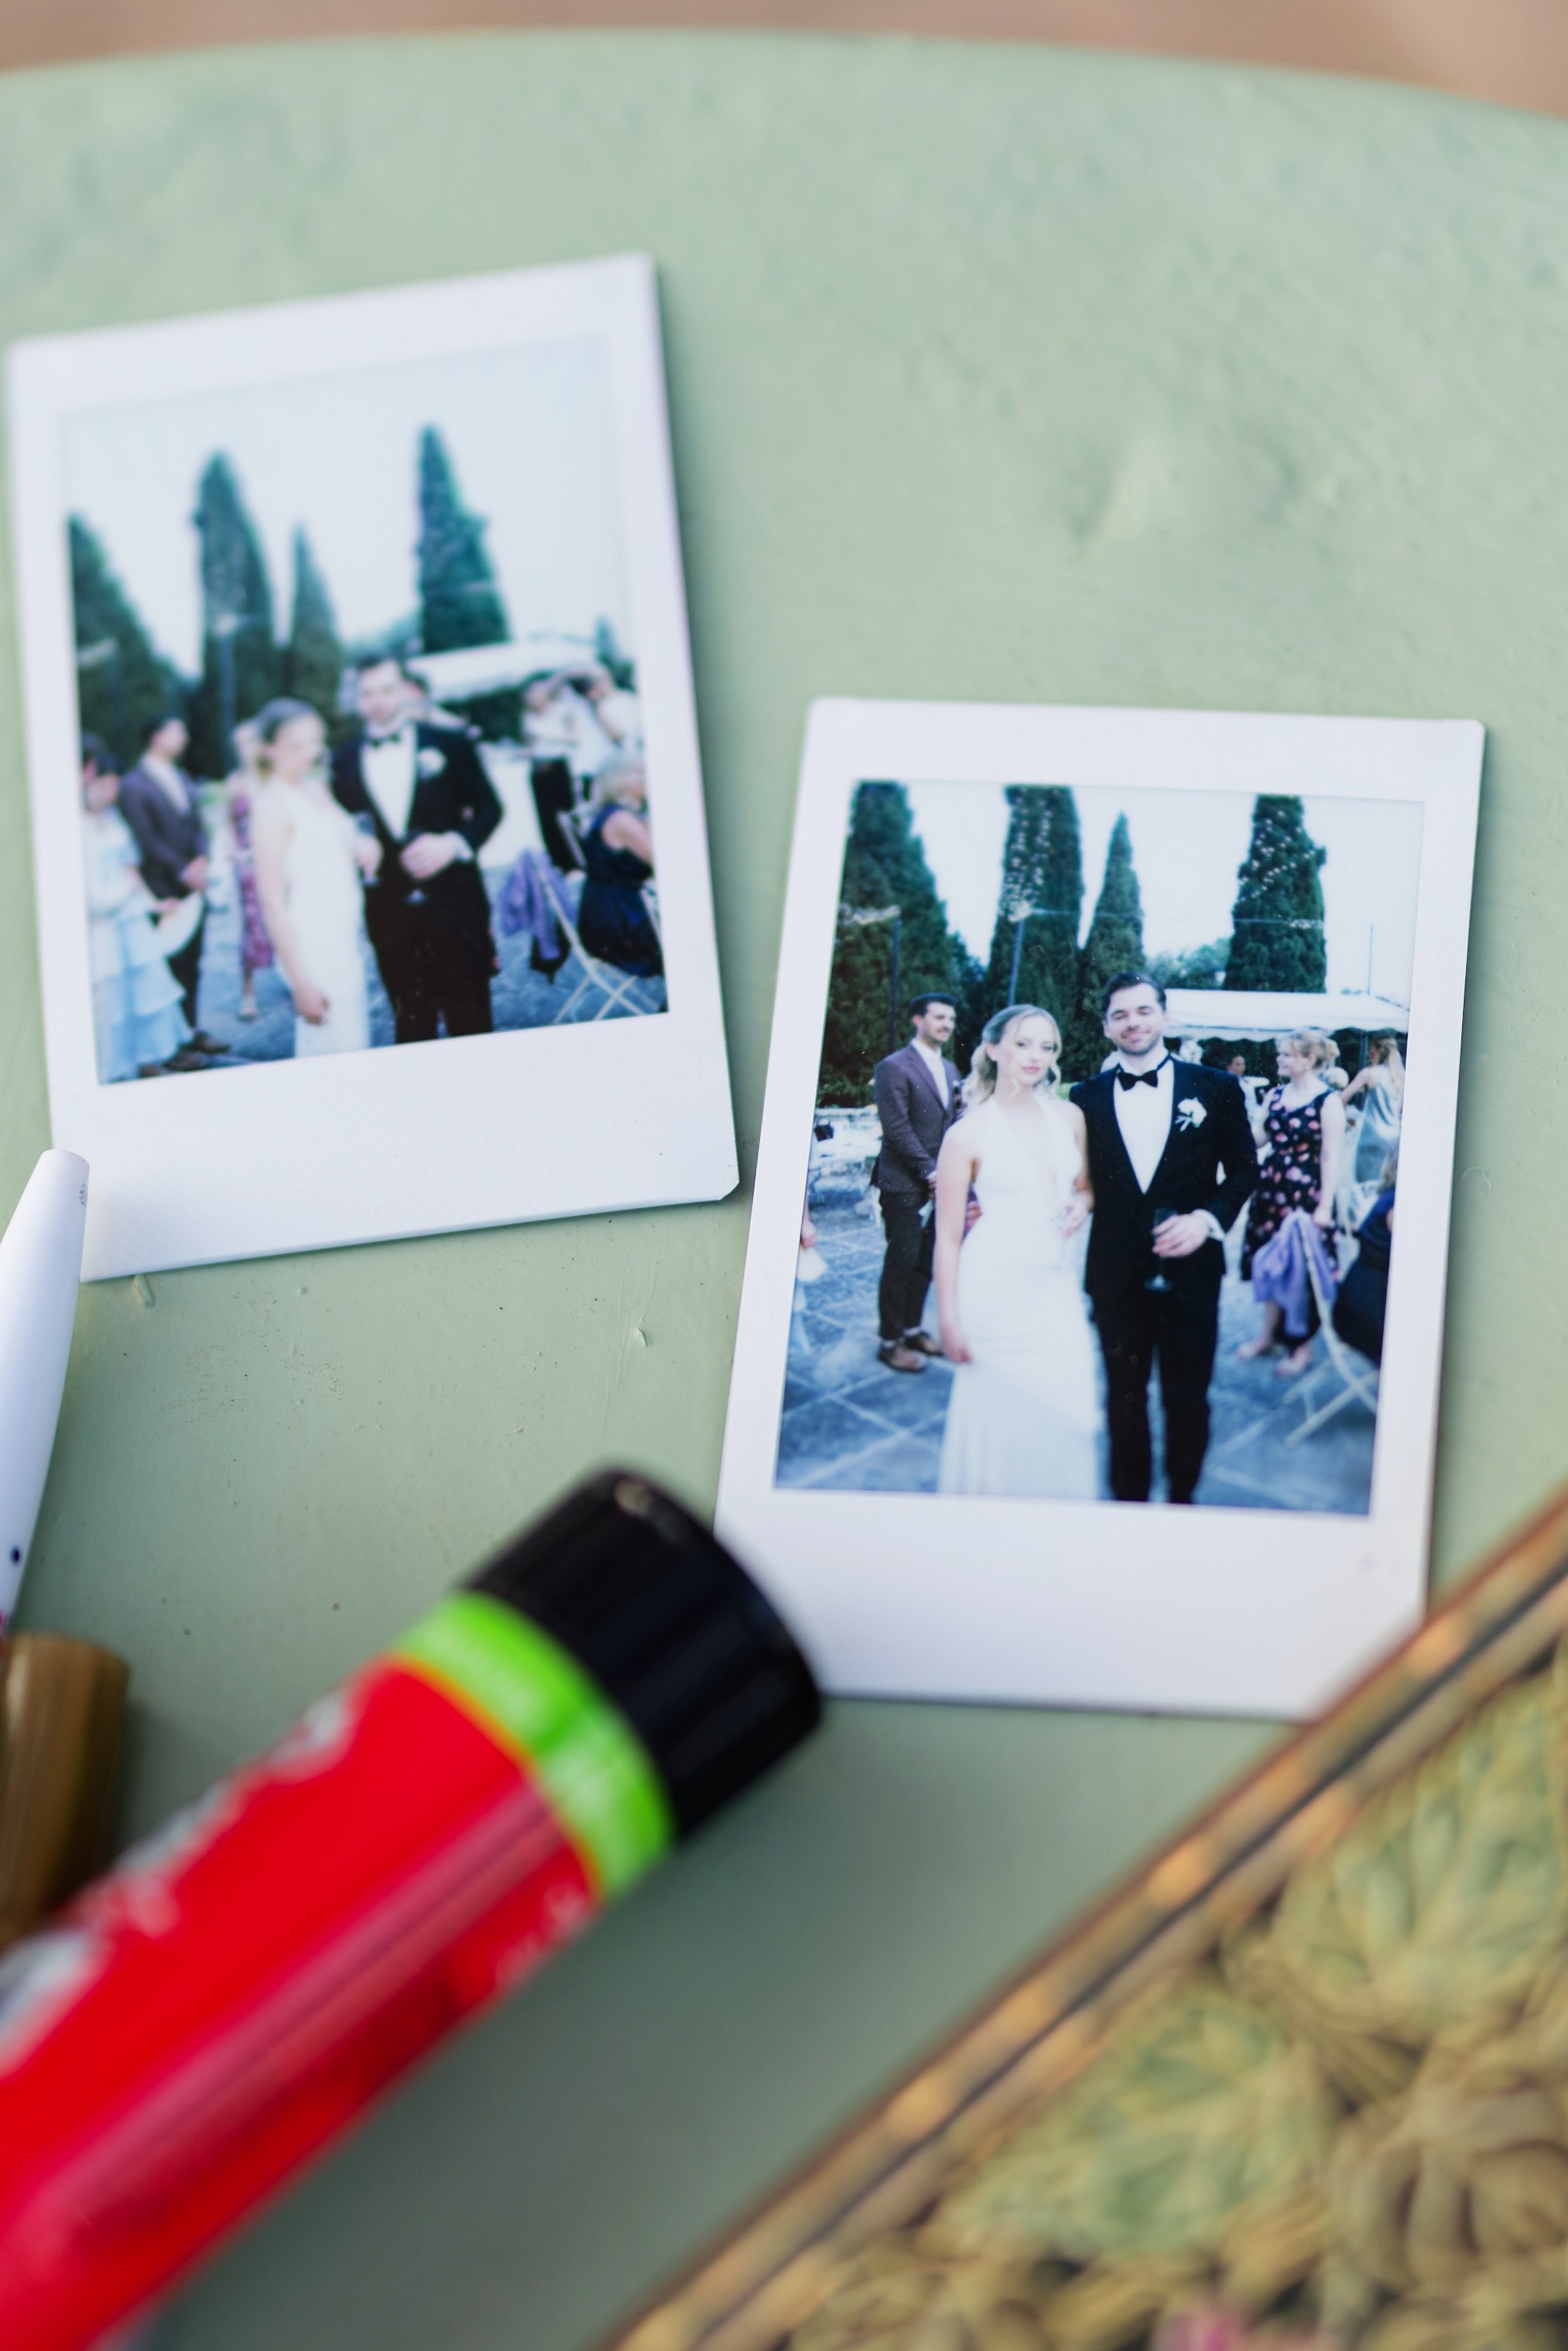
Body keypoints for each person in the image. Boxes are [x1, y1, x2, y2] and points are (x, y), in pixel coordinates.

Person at [1071, 973, 1258, 1505]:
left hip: (1191, 1271)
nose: (1134, 1022)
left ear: (1165, 1017)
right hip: (1115, 1273)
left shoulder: (1216, 1088)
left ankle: (1182, 1497)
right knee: (1123, 1396)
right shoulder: (1085, 1096)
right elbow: (1066, 1174)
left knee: (1188, 1395)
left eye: (1144, 1010)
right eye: (1121, 1014)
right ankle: (1128, 1500)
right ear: (1107, 1026)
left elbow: (1245, 1170)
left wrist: (1207, 1219)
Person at [933, 1006, 1099, 1497]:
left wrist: (1082, 1207)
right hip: (994, 1287)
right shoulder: (966, 1134)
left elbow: (1086, 1187)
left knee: (1076, 1415)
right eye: (1023, 1043)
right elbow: (947, 1236)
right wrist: (947, 1320)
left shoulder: (1069, 1116)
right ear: (993, 1049)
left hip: (1055, 1287)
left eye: (1047, 1046)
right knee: (999, 1414)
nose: (1036, 1056)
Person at [331, 655, 502, 1044]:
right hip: (390, 916)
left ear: (406, 691)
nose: (378, 701)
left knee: (472, 1023)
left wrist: (454, 843)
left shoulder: (450, 744)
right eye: (367, 693)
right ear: (357, 699)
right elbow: (339, 825)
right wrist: (352, 841)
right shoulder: (341, 761)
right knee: (412, 1026)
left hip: (457, 908)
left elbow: (491, 809)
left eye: (387, 690)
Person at [251, 698, 381, 1058]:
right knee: (333, 1046)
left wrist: (364, 842)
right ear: (269, 750)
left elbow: (345, 834)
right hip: (315, 948)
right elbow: (271, 902)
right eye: (297, 745)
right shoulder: (271, 806)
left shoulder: (314, 789)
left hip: (344, 940)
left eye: (315, 741)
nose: (311, 753)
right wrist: (301, 984)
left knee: (354, 1038)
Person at [79, 736, 194, 1081]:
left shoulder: (113, 821)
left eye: (112, 783)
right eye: (102, 782)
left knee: (144, 994)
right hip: (105, 923)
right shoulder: (78, 827)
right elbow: (99, 892)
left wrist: (153, 904)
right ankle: (115, 1071)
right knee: (111, 1002)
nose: (108, 791)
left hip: (131, 919)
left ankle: (149, 1060)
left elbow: (131, 871)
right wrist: (123, 893)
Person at [118, 712, 229, 1056]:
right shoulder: (134, 784)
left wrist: (202, 858)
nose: (184, 737)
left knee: (192, 965)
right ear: (157, 737)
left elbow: (197, 824)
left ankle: (192, 1030)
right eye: (177, 731)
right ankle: (170, 1045)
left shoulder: (181, 776)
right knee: (166, 967)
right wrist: (182, 870)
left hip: (194, 885)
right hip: (163, 888)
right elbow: (146, 838)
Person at [1237, 1027, 1346, 1373]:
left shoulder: (1328, 1101)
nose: (1279, 1060)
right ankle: (1267, 1336)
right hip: (1272, 1192)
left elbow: (1331, 1157)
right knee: (1271, 1263)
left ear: (1309, 1060)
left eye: (1286, 1054)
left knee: (1302, 1271)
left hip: (1307, 1197)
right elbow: (1258, 1139)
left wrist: (1326, 1206)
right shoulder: (1275, 1095)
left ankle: (1301, 1347)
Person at [870, 995, 962, 1373]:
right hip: (903, 1183)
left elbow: (955, 1123)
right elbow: (896, 1129)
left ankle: (912, 1329)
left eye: (951, 1019)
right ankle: (890, 1341)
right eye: (939, 1017)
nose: (947, 1024)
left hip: (942, 1183)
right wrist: (930, 1172)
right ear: (917, 1020)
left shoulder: (951, 1069)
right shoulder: (894, 1066)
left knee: (926, 1261)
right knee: (902, 1260)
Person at [577, 755, 662, 979]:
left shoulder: (617, 813)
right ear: (619, 781)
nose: (648, 776)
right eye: (639, 772)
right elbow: (664, 865)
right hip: (618, 923)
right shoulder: (621, 820)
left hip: (606, 914)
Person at [223, 719, 273, 1020]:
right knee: (250, 924)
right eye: (240, 744)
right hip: (248, 864)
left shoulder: (272, 779)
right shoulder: (235, 783)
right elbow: (229, 822)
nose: (246, 749)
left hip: (276, 858)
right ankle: (248, 992)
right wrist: (235, 851)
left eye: (251, 741)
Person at [1343, 1034, 1405, 1185]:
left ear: (1376, 1051)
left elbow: (1342, 1098)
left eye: (1370, 1050)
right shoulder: (1401, 1076)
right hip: (1394, 1137)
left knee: (1363, 1185)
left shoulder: (1370, 1073)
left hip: (1371, 1136)